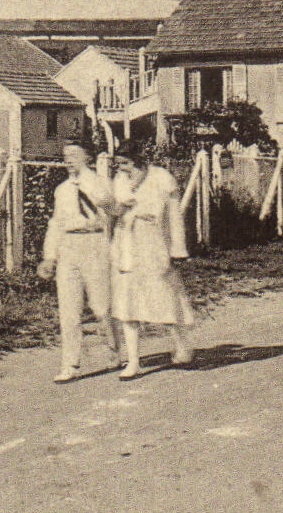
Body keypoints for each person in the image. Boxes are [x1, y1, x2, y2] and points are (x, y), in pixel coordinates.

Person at [108, 138, 196, 380]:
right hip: (127, 244)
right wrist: (118, 208)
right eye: (118, 164)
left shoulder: (161, 178)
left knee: (165, 299)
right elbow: (114, 213)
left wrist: (177, 250)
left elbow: (175, 219)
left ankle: (182, 346)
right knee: (127, 304)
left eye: (125, 163)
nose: (121, 168)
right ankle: (134, 361)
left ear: (137, 160)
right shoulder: (119, 181)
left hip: (154, 245)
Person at [36, 140, 118, 383]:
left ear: (88, 157)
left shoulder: (101, 184)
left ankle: (115, 350)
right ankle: (70, 364)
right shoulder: (61, 190)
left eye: (74, 154)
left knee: (101, 306)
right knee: (69, 309)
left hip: (95, 244)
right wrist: (50, 256)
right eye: (65, 155)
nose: (68, 159)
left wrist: (102, 197)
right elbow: (56, 225)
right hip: (69, 247)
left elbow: (114, 211)